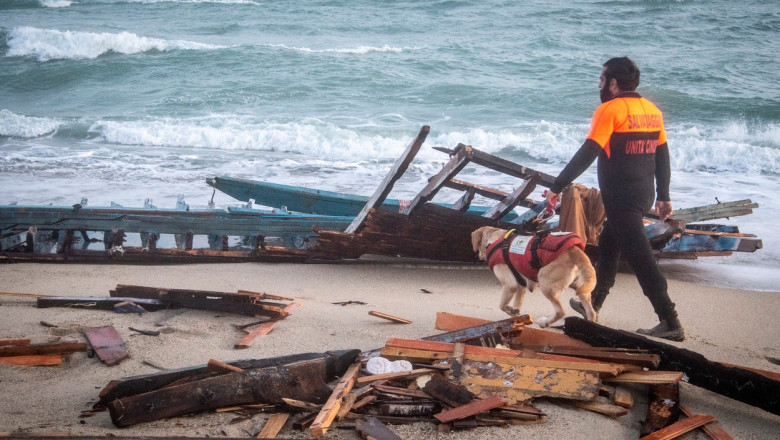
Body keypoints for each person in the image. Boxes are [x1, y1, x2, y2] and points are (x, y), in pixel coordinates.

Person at [544, 57, 684, 341]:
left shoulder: (610, 110)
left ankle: (670, 320)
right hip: (642, 194)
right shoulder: (651, 110)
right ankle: (593, 303)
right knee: (609, 243)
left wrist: (556, 186)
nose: (599, 84)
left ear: (613, 83)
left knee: (642, 260)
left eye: (601, 79)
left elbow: (588, 152)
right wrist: (664, 195)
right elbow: (662, 155)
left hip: (621, 197)